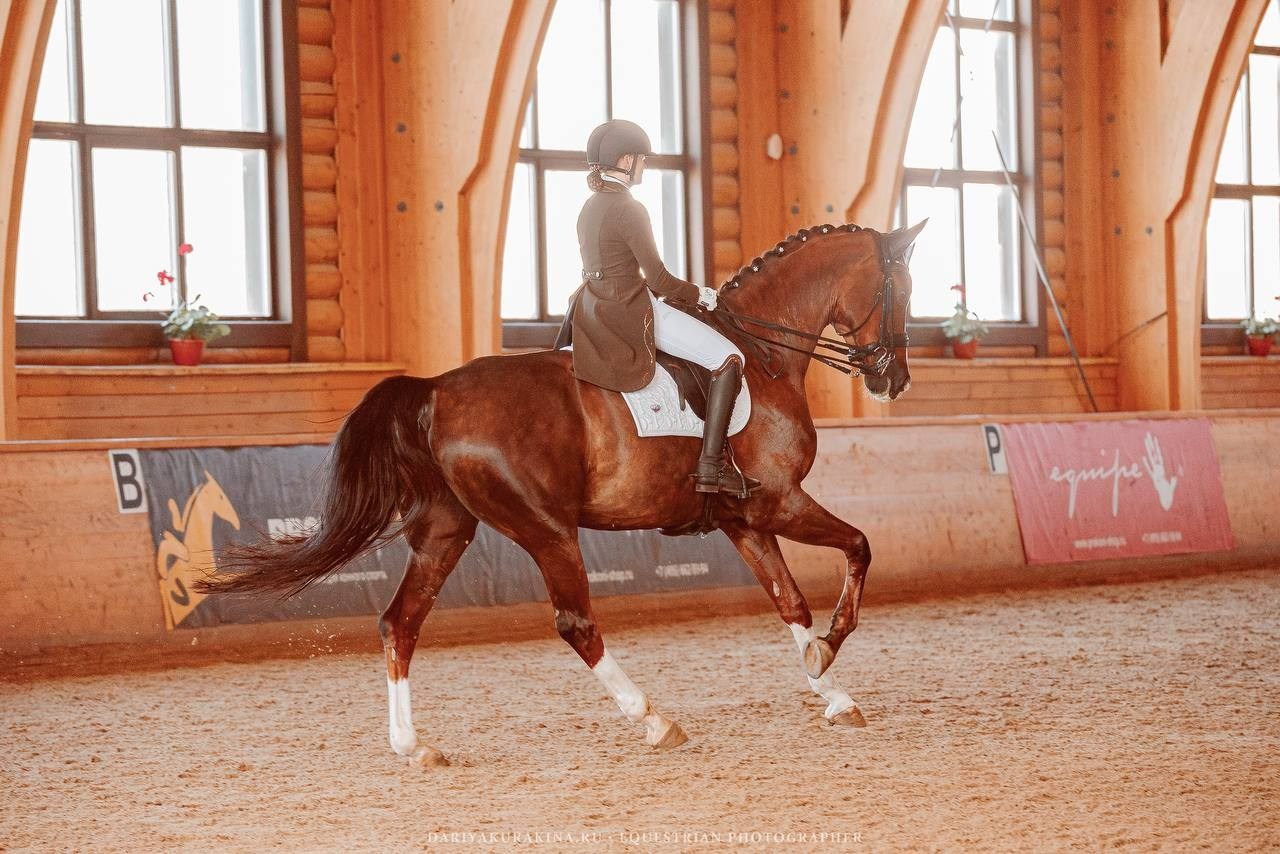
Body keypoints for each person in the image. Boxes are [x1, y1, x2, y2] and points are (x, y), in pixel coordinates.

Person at [562, 119, 758, 497]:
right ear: (625, 161)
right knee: (729, 358)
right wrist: (701, 295)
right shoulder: (628, 208)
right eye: (642, 159)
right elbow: (659, 279)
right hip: (631, 308)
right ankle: (712, 466)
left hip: (594, 308)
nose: (644, 166)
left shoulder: (590, 205)